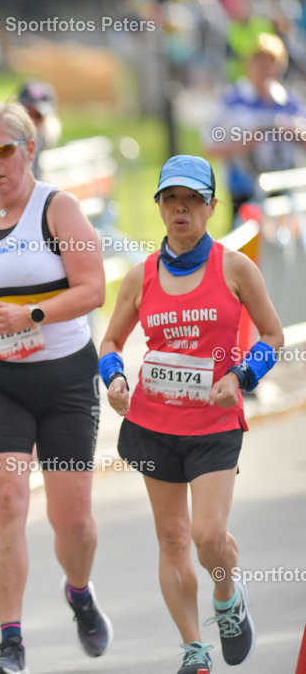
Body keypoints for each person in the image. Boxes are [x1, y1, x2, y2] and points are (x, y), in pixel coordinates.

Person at [0, 102, 111, 674]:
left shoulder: (59, 209)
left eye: (4, 150)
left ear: (29, 149)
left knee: (71, 521)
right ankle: (11, 642)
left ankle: (78, 591)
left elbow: (94, 289)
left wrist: (32, 315)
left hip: (64, 381)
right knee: (6, 500)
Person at [99, 154, 283, 674]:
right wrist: (114, 376)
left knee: (207, 536)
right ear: (159, 206)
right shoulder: (141, 276)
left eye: (193, 200)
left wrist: (241, 377)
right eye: (171, 199)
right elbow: (111, 340)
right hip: (154, 424)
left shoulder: (234, 266)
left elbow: (273, 336)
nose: (181, 209)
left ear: (211, 206)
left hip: (214, 425)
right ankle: (193, 649)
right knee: (173, 538)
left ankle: (226, 597)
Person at [205, 32, 306, 225]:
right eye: (260, 62)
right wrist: (244, 143)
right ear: (248, 64)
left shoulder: (291, 103)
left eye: (272, 62)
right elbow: (210, 146)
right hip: (245, 192)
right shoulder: (231, 102)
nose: (266, 68)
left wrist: (295, 133)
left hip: (286, 190)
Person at [15, 80, 61, 179]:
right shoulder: (10, 141)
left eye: (38, 115)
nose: (31, 121)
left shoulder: (41, 140)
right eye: (26, 113)